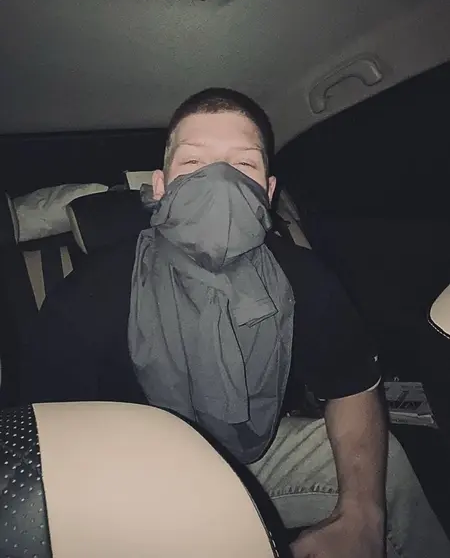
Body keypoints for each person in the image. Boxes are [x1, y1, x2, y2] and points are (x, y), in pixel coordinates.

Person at [20, 89, 449, 558]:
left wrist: (362, 513)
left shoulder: (303, 277)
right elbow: (44, 443)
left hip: (258, 458)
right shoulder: (89, 294)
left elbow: (352, 388)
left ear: (268, 191)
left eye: (243, 165)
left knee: (385, 470)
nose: (219, 181)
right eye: (194, 164)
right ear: (160, 187)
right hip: (128, 472)